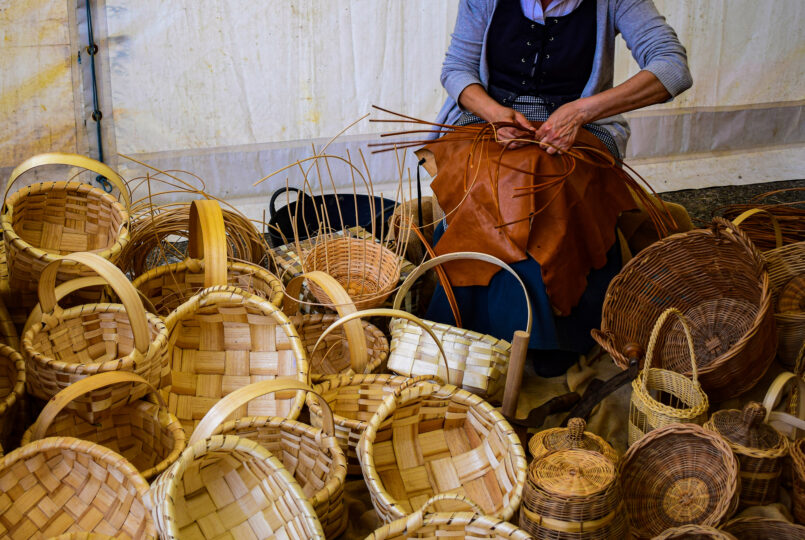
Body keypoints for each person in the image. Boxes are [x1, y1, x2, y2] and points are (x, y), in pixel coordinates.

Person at [425, 0, 692, 377]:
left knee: (550, 179)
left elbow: (673, 68)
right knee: (491, 176)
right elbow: (457, 70)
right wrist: (494, 113)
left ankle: (556, 333)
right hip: (490, 122)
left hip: (582, 128)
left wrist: (583, 110)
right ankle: (468, 320)